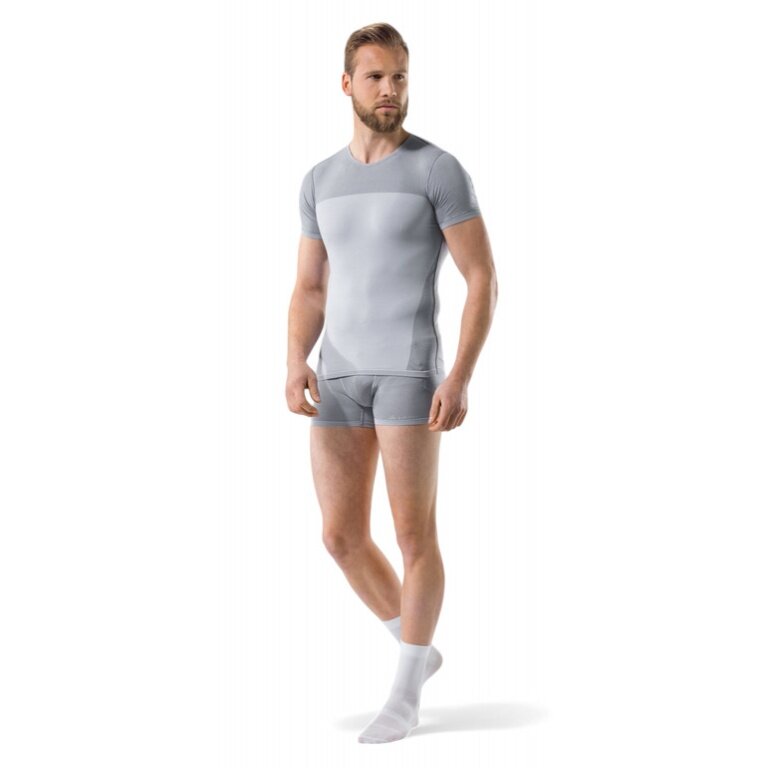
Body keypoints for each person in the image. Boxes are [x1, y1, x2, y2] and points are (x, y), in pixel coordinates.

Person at [285, 22, 498, 743]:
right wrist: (295, 358)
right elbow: (310, 286)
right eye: (375, 77)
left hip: (409, 373)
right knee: (341, 536)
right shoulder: (319, 181)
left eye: (399, 77)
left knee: (413, 534)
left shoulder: (437, 170)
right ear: (346, 84)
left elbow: (481, 278)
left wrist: (459, 375)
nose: (389, 90)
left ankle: (405, 694)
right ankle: (417, 646)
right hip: (338, 375)